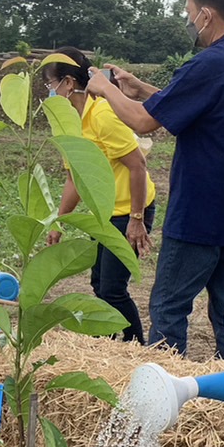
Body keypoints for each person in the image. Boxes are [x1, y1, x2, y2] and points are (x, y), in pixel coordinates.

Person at [86, 0, 224, 362]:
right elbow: (196, 105)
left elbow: (142, 121)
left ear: (206, 14)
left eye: (189, 11)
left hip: (198, 217)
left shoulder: (209, 63)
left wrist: (104, 89)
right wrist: (141, 89)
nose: (189, 20)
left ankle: (166, 390)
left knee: (169, 310)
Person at [41, 47, 156, 343]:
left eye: (50, 84)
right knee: (99, 284)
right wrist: (59, 222)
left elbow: (137, 165)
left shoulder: (103, 114)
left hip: (129, 209)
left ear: (68, 83)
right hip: (102, 212)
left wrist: (137, 219)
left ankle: (134, 347)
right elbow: (75, 178)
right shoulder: (67, 122)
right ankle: (111, 345)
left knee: (112, 289)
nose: (49, 92)